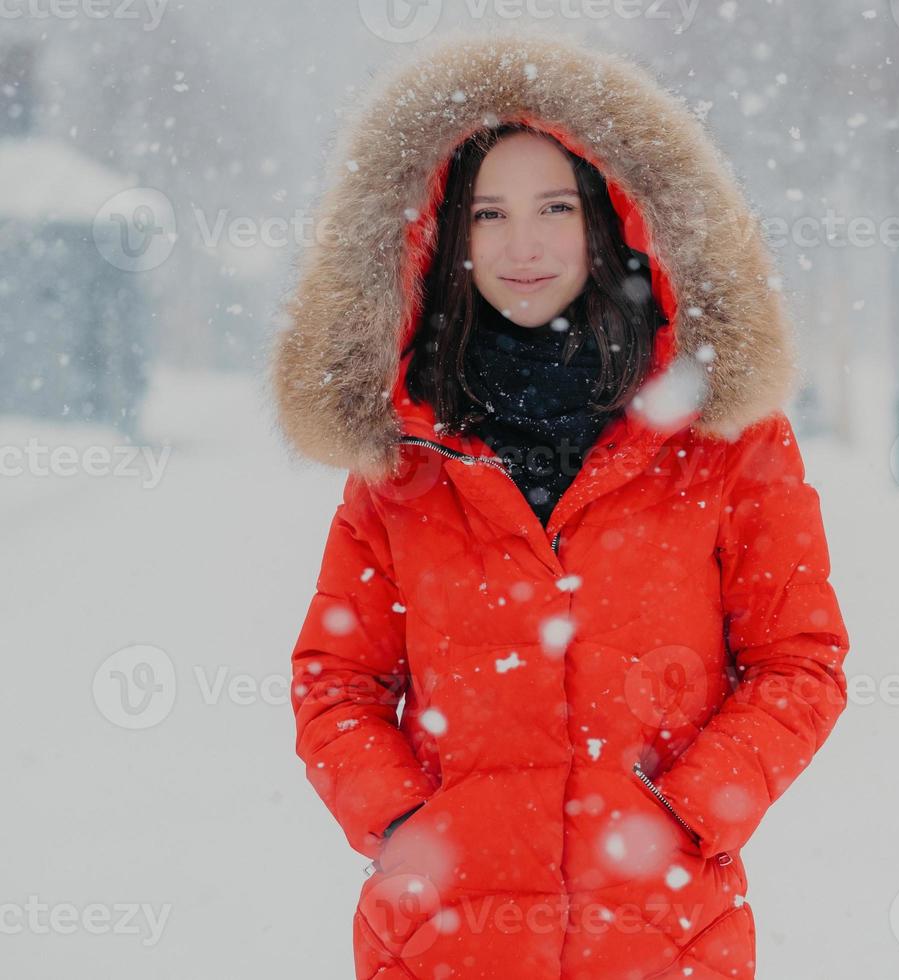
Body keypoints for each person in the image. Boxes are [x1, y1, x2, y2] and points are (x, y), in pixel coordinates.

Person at [271, 32, 850, 980]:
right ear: (443, 236)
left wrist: (690, 814)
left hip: (666, 944)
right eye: (489, 214)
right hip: (439, 947)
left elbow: (799, 662)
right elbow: (336, 682)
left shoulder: (722, 444)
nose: (523, 245)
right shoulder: (405, 457)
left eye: (555, 207)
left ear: (614, 218)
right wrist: (406, 823)